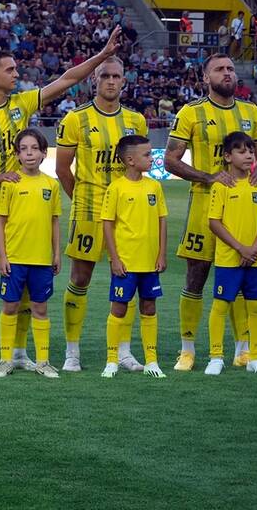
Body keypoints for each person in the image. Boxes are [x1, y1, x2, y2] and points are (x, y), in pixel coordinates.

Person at [0, 28, 121, 373]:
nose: (17, 75)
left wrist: (102, 56)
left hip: (25, 209)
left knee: (27, 286)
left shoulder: (22, 104)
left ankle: (18, 353)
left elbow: (67, 78)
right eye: (11, 70)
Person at [164, 53, 257, 372]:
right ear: (205, 78)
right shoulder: (191, 112)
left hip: (242, 212)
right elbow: (170, 159)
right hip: (203, 205)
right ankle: (188, 350)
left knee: (239, 275)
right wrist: (208, 177)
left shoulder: (251, 112)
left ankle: (242, 351)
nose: (227, 73)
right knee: (195, 277)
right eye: (219, 69)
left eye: (230, 69)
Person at [56, 57, 148, 372]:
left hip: (128, 214)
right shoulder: (74, 119)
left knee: (127, 278)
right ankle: (72, 352)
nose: (111, 81)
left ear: (124, 80)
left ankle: (123, 351)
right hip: (88, 211)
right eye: (105, 75)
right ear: (94, 79)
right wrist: (82, 198)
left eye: (116, 76)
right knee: (79, 278)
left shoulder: (136, 121)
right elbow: (62, 168)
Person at [205, 132, 257, 376]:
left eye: (250, 150)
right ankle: (216, 357)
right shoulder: (221, 186)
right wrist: (240, 248)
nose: (248, 155)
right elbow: (214, 223)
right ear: (227, 156)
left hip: (255, 259)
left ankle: (256, 358)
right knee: (221, 306)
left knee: (256, 307)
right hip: (229, 259)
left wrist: (253, 249)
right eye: (241, 151)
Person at [0, 129, 61, 379]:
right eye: (24, 149)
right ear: (17, 154)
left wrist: (56, 254)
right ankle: (5, 360)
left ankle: (43, 361)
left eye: (34, 148)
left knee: (40, 308)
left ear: (44, 153)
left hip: (41, 259)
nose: (29, 153)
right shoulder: (11, 184)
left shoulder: (51, 185)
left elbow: (54, 222)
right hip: (15, 258)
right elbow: (0, 221)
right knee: (10, 306)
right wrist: (2, 255)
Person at [100, 135, 168, 379]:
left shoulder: (154, 187)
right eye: (147, 154)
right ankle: (111, 360)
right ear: (130, 159)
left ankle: (152, 360)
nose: (152, 158)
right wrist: (114, 259)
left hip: (149, 262)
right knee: (118, 308)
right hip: (126, 263)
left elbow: (162, 221)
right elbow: (107, 225)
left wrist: (161, 253)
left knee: (149, 307)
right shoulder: (116, 188)